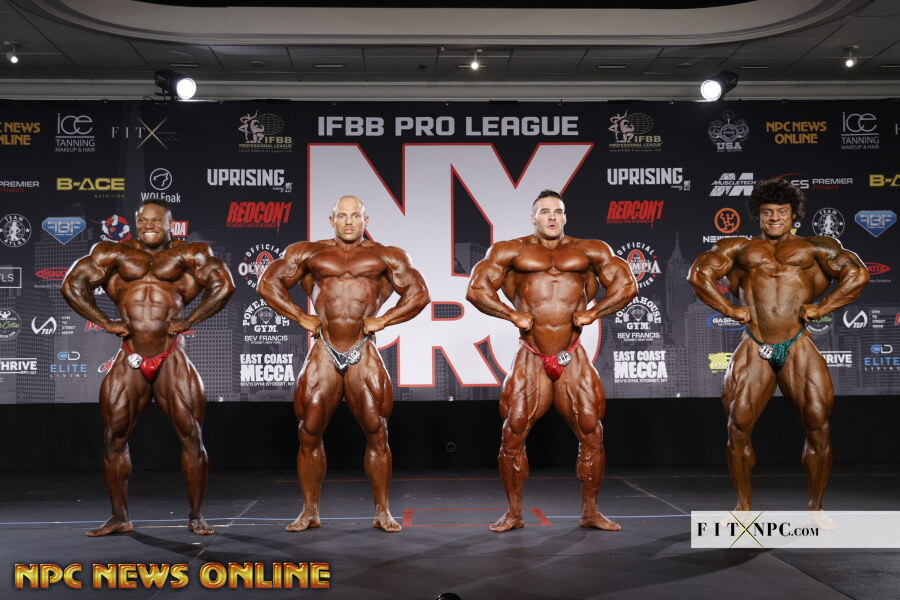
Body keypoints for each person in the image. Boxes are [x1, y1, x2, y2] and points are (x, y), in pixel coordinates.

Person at [687, 178, 869, 511]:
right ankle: (743, 508)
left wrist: (823, 307)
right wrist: (729, 309)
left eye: (781, 211)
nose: (774, 217)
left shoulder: (816, 247)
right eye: (767, 212)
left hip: (797, 342)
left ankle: (816, 509)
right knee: (738, 426)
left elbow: (858, 274)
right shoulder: (738, 249)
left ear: (793, 213)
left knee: (818, 425)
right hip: (755, 343)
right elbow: (699, 274)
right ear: (757, 214)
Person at [466, 189, 637, 532]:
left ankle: (591, 512)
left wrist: (595, 312)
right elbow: (476, 290)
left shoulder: (589, 250)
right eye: (545, 212)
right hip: (531, 356)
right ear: (534, 218)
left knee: (592, 433)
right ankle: (514, 513)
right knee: (513, 433)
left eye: (557, 211)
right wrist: (511, 314)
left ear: (565, 216)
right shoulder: (511, 251)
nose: (552, 217)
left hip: (572, 355)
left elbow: (627, 286)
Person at [61, 199, 235, 536]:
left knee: (192, 437)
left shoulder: (190, 254)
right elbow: (72, 284)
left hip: (171, 356)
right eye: (144, 221)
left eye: (157, 220)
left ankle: (196, 516)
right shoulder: (113, 253)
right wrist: (104, 321)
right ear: (136, 222)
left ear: (171, 223)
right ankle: (119, 517)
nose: (150, 226)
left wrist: (189, 320)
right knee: (113, 437)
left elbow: (224, 285)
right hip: (130, 354)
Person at [258, 195, 429, 532]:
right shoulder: (308, 253)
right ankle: (309, 511)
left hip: (362, 348)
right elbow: (268, 282)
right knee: (309, 431)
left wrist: (386, 319)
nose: (349, 222)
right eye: (342, 216)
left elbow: (420, 293)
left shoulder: (386, 255)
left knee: (377, 431)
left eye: (355, 216)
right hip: (324, 347)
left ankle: (383, 511)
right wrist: (299, 316)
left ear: (366, 220)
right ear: (331, 219)